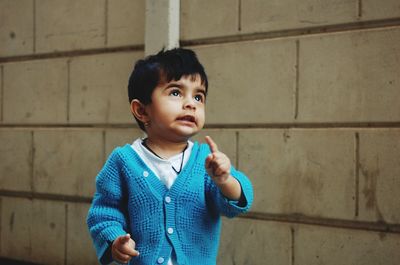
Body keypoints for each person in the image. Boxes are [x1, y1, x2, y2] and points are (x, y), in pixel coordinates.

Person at [87, 48, 253, 265]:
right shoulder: (123, 161)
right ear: (142, 110)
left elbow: (234, 204)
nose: (191, 103)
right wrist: (114, 240)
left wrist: (224, 180)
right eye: (176, 93)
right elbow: (104, 213)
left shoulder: (205, 161)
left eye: (198, 96)